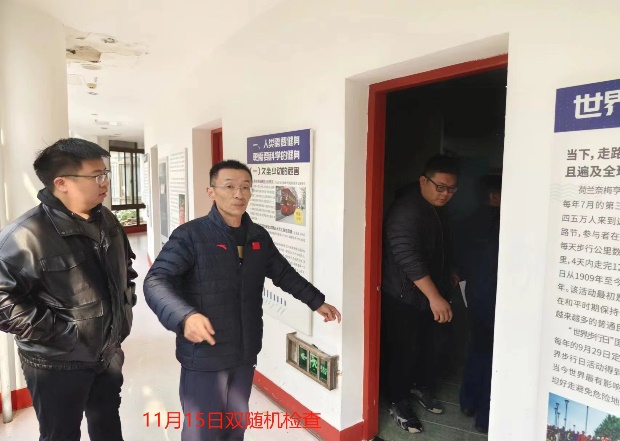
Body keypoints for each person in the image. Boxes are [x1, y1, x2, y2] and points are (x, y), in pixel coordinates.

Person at [143, 159, 341, 441]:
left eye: (245, 187)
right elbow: (156, 280)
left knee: (235, 427)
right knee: (203, 431)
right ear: (211, 192)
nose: (239, 194)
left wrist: (316, 301)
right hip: (205, 354)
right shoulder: (191, 236)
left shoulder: (257, 236)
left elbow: (283, 274)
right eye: (230, 186)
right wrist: (184, 316)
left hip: (244, 352)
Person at [0, 138, 138, 441]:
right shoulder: (24, 236)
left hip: (107, 352)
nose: (105, 183)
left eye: (106, 174)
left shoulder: (107, 220)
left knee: (107, 423)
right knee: (60, 434)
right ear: (61, 183)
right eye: (96, 176)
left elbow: (125, 268)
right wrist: (64, 334)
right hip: (55, 363)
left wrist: (125, 307)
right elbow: (3, 302)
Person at [380, 154, 460, 434]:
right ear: (423, 181)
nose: (445, 194)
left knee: (427, 345)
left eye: (452, 189)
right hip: (403, 296)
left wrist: (449, 271)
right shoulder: (406, 210)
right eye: (440, 187)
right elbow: (407, 257)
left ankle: (416, 387)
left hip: (426, 294)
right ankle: (398, 401)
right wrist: (434, 297)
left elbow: (440, 246)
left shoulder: (434, 208)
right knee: (403, 350)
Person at [458, 174, 501, 433]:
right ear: (494, 196)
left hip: (472, 295)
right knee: (494, 356)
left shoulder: (467, 221)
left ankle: (468, 402)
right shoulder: (504, 222)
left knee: (476, 348)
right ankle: (485, 418)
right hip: (496, 298)